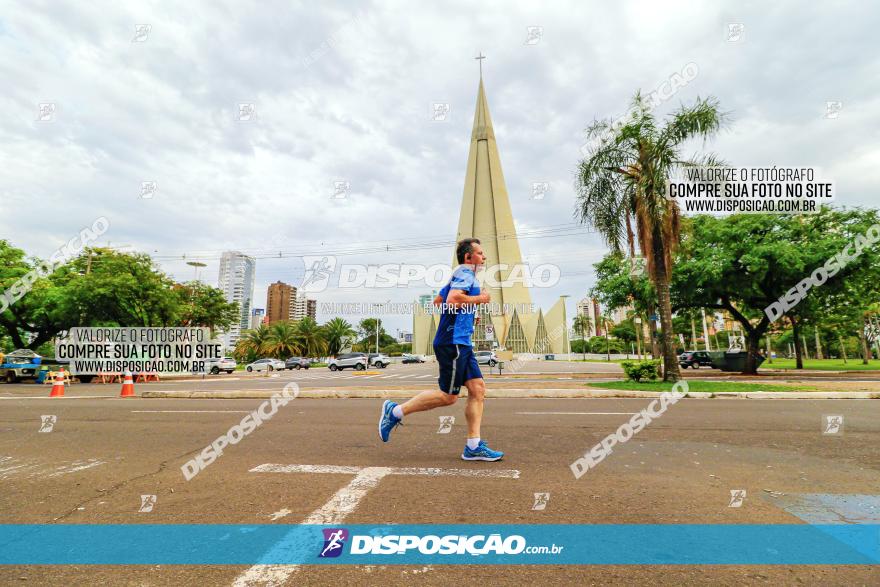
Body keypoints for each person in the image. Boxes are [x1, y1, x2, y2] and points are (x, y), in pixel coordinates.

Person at [377, 238, 503, 461]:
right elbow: (453, 301)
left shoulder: (459, 275)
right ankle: (394, 412)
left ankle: (473, 446)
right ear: (468, 258)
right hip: (452, 342)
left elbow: (438, 301)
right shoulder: (465, 273)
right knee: (448, 396)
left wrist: (466, 315)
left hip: (461, 341)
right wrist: (480, 299)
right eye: (480, 253)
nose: (484, 257)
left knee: (477, 389)